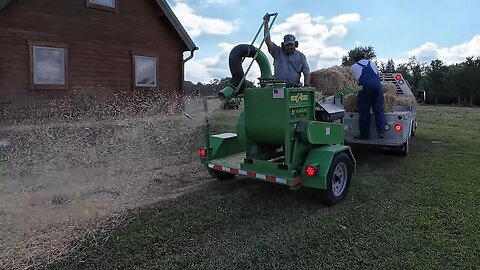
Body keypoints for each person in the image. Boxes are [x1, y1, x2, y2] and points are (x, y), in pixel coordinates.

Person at [263, 14, 310, 87]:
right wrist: (266, 23)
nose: (290, 47)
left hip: (295, 88)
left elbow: (306, 72)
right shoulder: (277, 52)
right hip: (279, 87)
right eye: (287, 45)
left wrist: (306, 85)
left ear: (295, 44)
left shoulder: (301, 56)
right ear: (283, 45)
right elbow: (267, 40)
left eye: (291, 44)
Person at [351, 52, 386, 140]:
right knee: (379, 110)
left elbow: (353, 82)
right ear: (365, 57)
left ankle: (364, 135)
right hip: (377, 88)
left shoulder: (354, 67)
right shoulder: (372, 63)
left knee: (364, 113)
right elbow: (377, 76)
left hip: (365, 89)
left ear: (356, 59)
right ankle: (381, 133)